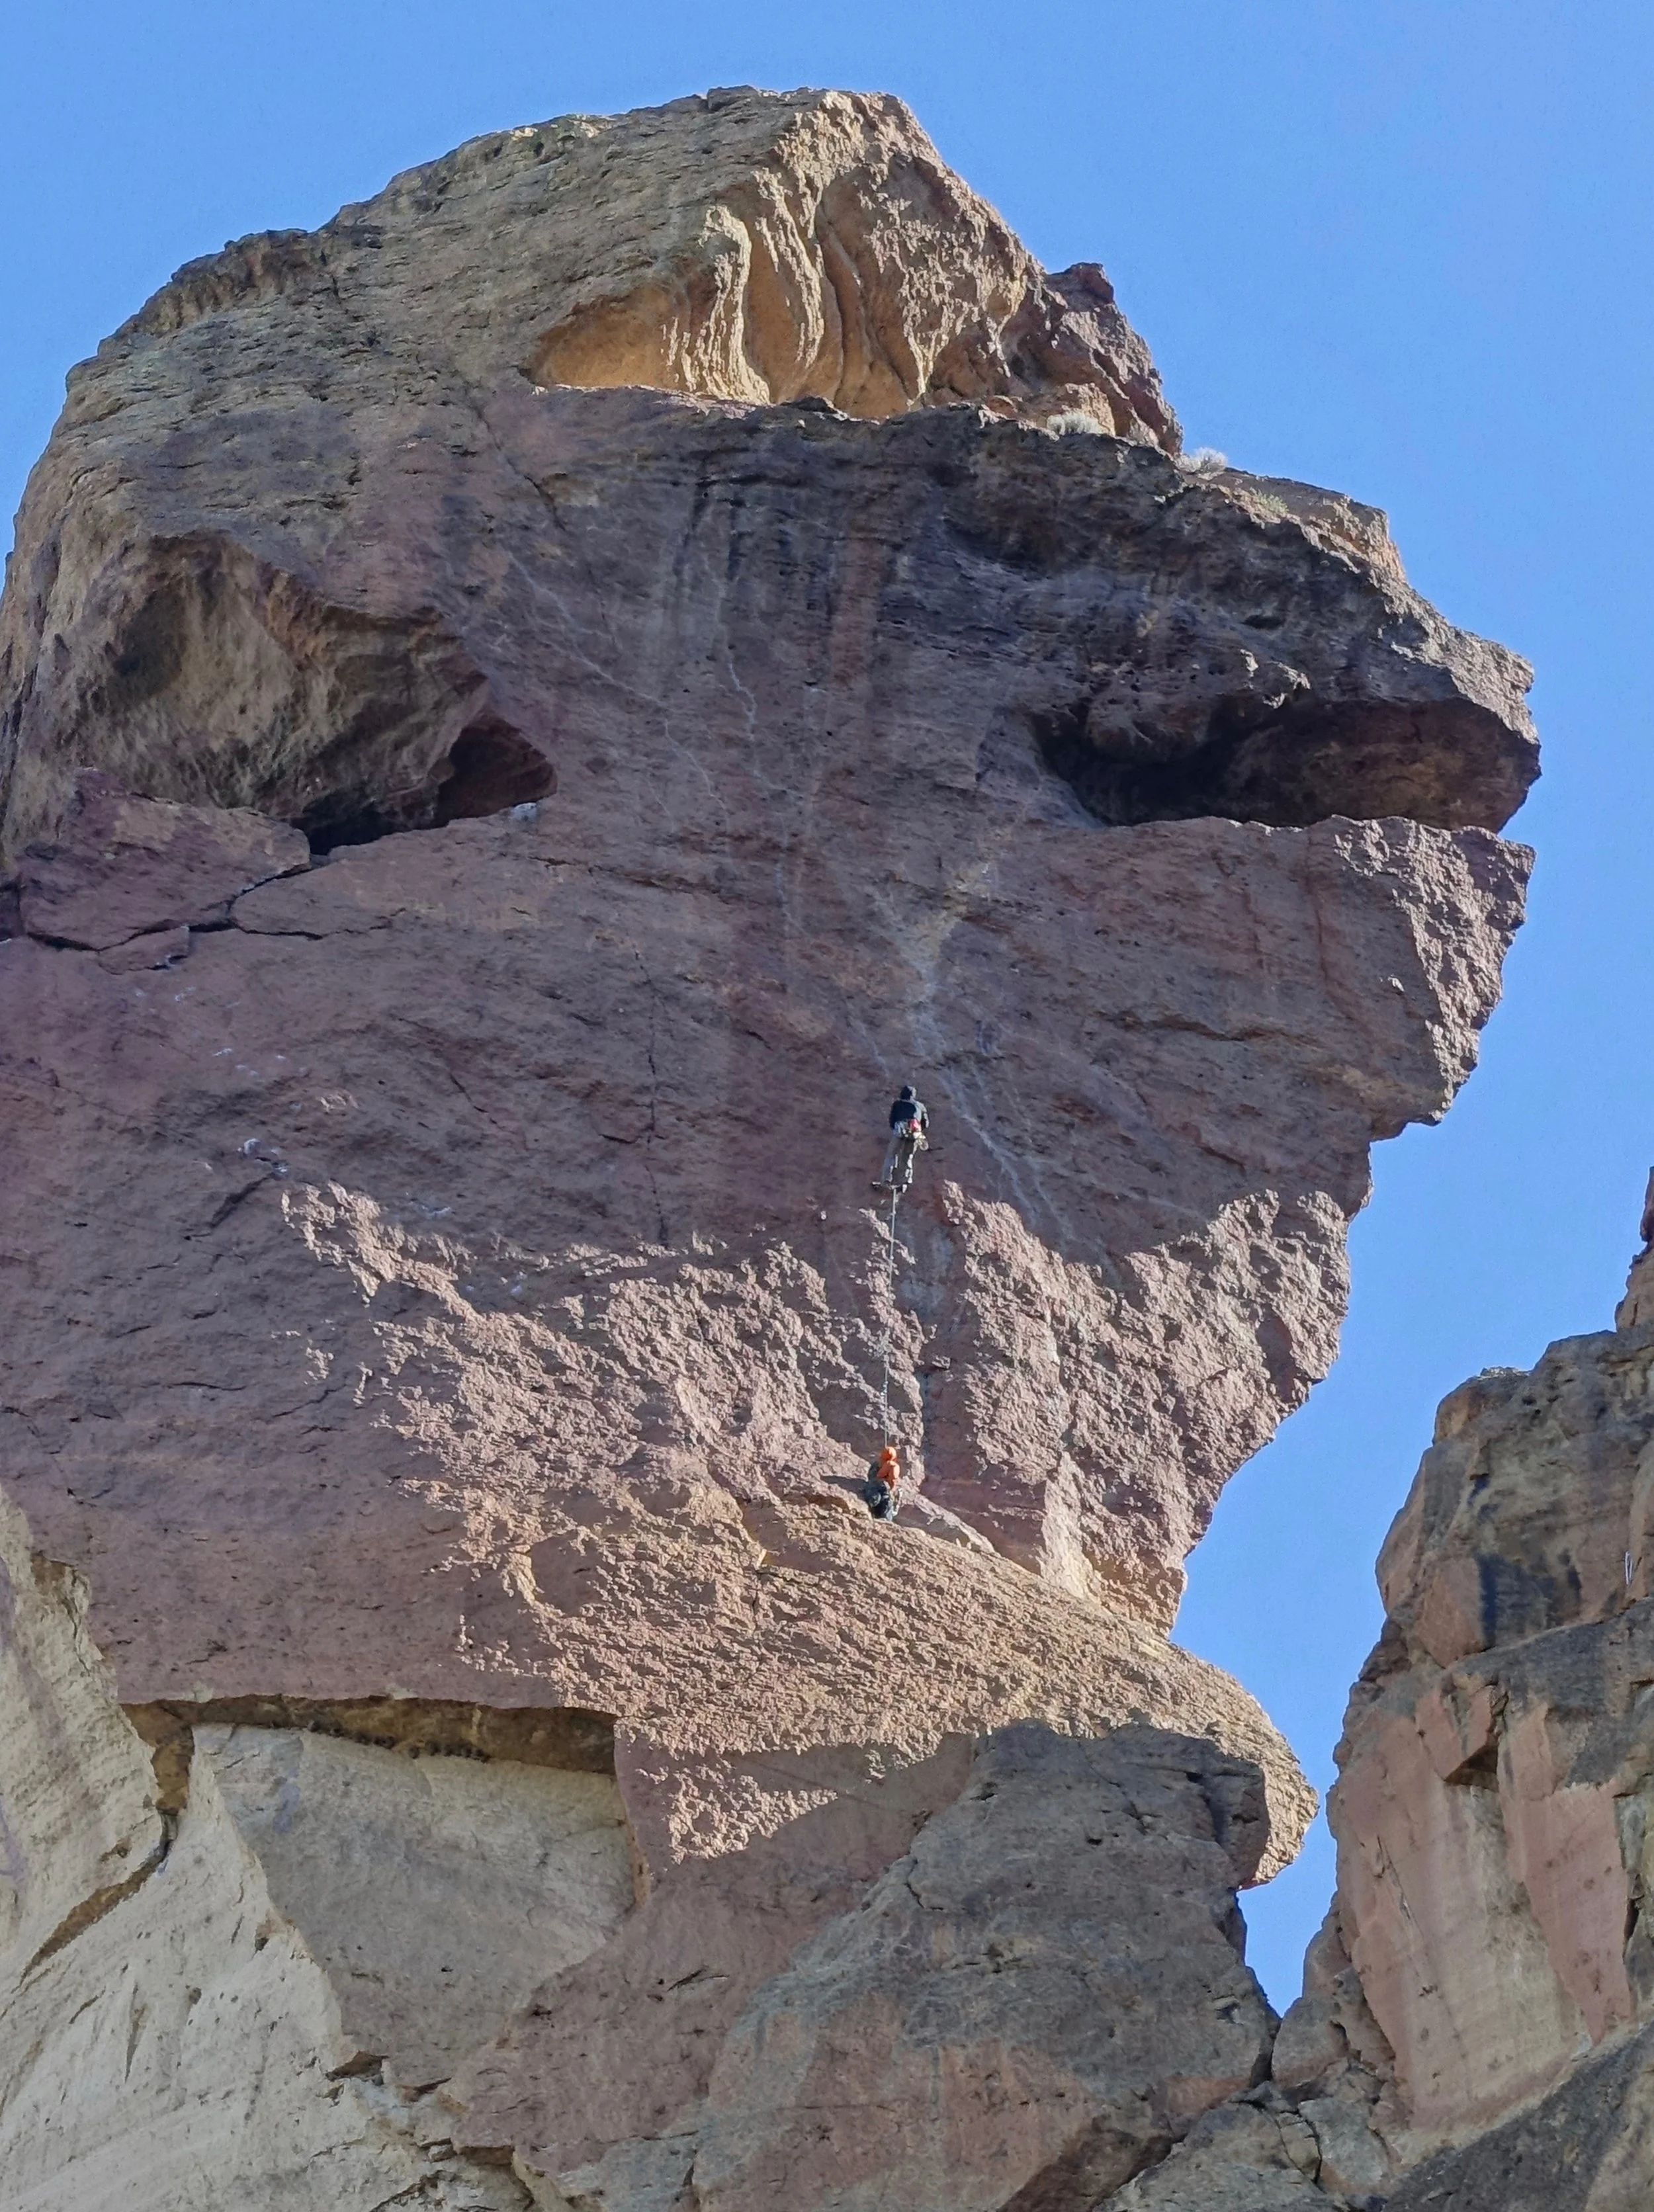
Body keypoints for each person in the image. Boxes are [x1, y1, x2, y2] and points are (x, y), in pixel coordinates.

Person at [878, 1084, 930, 1191]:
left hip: (900, 1130)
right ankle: (905, 1181)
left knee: (892, 1154)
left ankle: (886, 1180)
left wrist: (895, 1128)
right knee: (908, 1156)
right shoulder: (920, 1106)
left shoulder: (897, 1104)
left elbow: (892, 1119)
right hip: (915, 1132)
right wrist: (918, 1131)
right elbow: (926, 1123)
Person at [863, 1443, 902, 1521]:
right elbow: (893, 1481)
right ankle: (884, 1518)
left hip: (873, 1487)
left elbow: (871, 1476)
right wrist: (891, 1490)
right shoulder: (892, 1466)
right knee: (886, 1501)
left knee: (876, 1499)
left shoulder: (876, 1464)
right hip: (880, 1488)